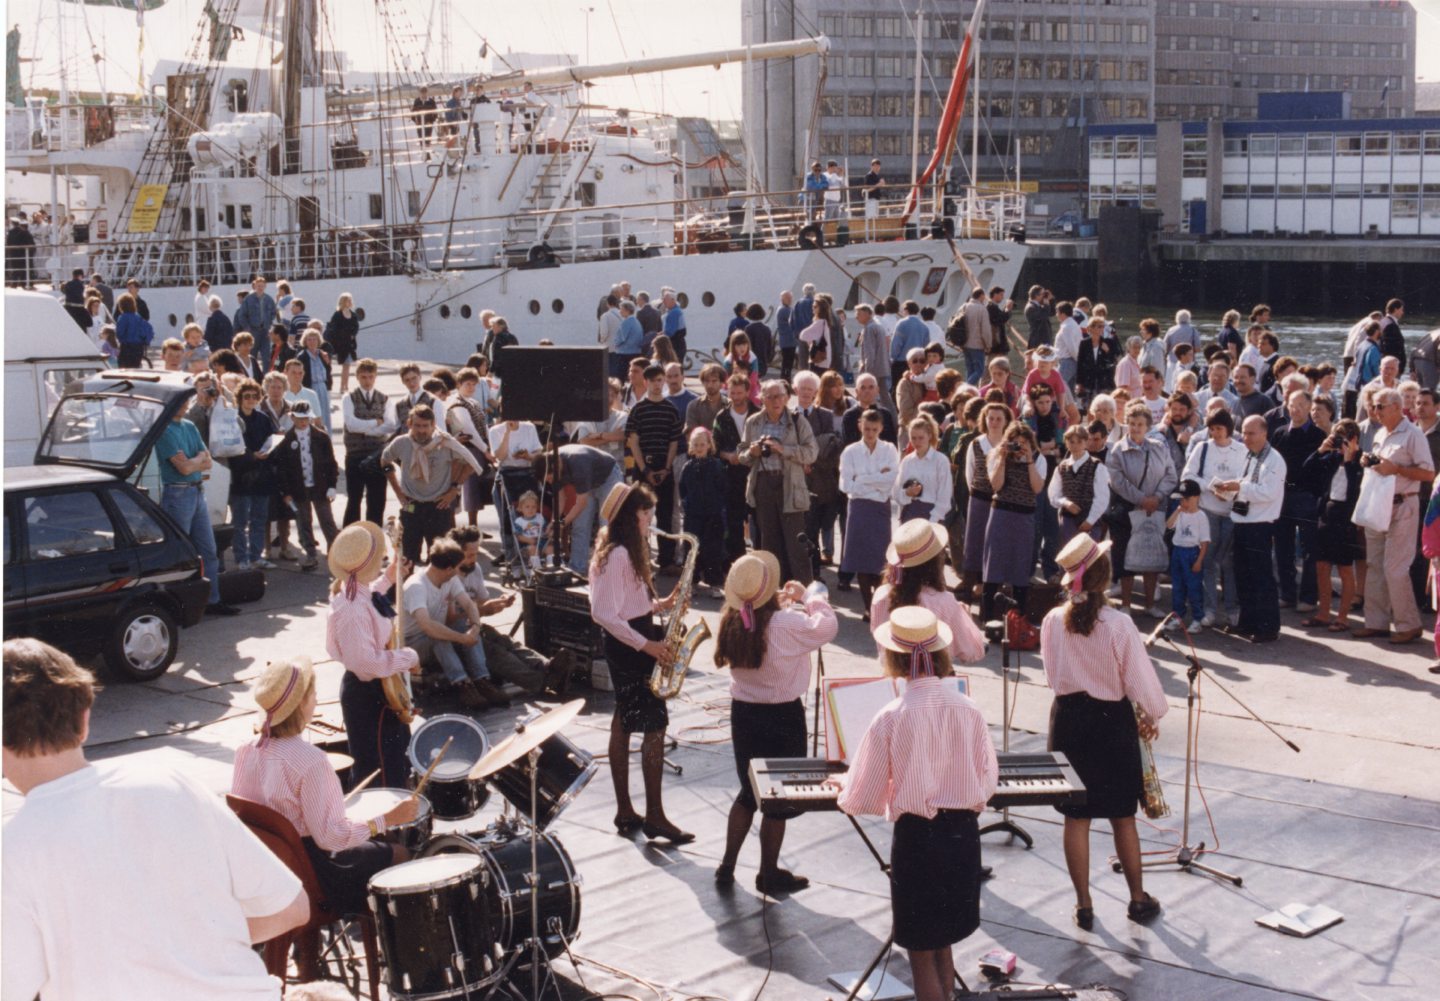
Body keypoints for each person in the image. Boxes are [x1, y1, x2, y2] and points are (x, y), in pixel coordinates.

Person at [3, 639, 308, 1000]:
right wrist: (185, 948)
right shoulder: (170, 782)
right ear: (84, 718)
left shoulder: (13, 848)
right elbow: (291, 906)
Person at [835, 607, 997, 1001]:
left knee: (920, 952)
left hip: (918, 840)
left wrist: (845, 784)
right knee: (942, 942)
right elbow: (988, 779)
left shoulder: (892, 715)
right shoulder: (968, 709)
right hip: (962, 837)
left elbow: (860, 797)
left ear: (893, 658)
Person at [1040, 536, 1167, 933]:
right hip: (1110, 722)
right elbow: (1144, 686)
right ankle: (1137, 899)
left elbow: (1050, 675)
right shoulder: (1118, 624)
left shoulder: (1051, 620)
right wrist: (1152, 712)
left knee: (1076, 818)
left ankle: (1083, 905)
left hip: (1069, 721)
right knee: (1121, 816)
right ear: (1103, 574)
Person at [232, 656, 417, 914]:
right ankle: (395, 943)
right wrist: (385, 820)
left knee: (376, 841)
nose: (317, 699)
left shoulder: (246, 751)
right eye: (313, 694)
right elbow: (331, 838)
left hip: (274, 870)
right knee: (399, 853)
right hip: (316, 874)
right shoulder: (311, 761)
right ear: (300, 705)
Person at [713, 552, 837, 893]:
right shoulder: (786, 623)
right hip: (782, 715)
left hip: (745, 713)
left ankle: (727, 865)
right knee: (777, 797)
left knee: (748, 792)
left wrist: (780, 604)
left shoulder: (733, 619)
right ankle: (768, 871)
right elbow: (827, 627)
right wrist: (812, 597)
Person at [588, 482, 692, 843]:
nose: (651, 518)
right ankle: (655, 816)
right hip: (629, 643)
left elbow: (629, 602)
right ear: (629, 516)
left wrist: (664, 603)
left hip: (633, 635)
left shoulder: (623, 551)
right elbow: (604, 613)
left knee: (624, 720)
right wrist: (646, 645)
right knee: (654, 724)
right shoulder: (617, 554)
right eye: (645, 512)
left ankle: (626, 810)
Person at [327, 521, 421, 788]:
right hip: (369, 693)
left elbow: (372, 598)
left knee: (394, 762)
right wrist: (408, 657)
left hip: (377, 689)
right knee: (380, 774)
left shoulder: (354, 591)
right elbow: (365, 664)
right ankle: (383, 829)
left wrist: (389, 577)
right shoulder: (353, 609)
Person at [448, 526, 573, 697]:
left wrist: (499, 602)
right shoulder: (447, 576)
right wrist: (483, 609)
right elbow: (449, 618)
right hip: (454, 633)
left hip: (473, 625)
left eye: (476, 554)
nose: (474, 559)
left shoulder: (474, 569)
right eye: (469, 555)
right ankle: (542, 681)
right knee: (494, 652)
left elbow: (482, 602)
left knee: (505, 641)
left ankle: (545, 665)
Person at [1354, 388, 1434, 644]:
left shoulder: (1413, 434)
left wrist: (1395, 468)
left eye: (1380, 406)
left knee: (1395, 568)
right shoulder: (1380, 433)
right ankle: (1376, 622)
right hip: (1379, 504)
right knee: (1374, 565)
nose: (1375, 411)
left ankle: (1408, 623)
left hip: (1403, 506)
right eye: (1374, 406)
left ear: (1397, 408)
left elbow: (1428, 474)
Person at [402, 538, 510, 708]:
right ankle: (462, 684)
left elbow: (468, 604)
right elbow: (427, 626)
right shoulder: (417, 586)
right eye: (457, 568)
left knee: (464, 627)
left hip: (436, 632)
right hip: (413, 643)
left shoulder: (449, 578)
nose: (459, 572)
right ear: (449, 569)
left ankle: (482, 680)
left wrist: (474, 626)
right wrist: (461, 639)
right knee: (439, 637)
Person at [156, 392, 237, 616]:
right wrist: (195, 462)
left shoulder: (189, 426)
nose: (184, 404)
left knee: (208, 550)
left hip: (197, 491)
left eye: (185, 400)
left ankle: (212, 600)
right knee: (181, 553)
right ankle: (179, 605)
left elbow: (207, 460)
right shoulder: (164, 430)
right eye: (179, 399)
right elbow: (183, 469)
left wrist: (193, 462)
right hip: (177, 494)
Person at [870, 519, 986, 663]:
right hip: (934, 680)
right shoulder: (944, 601)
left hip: (891, 678)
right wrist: (964, 616)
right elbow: (973, 652)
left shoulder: (881, 595)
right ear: (935, 561)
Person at [1216, 415, 1287, 643]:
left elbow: (1268, 492)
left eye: (1251, 433)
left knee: (1261, 577)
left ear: (1264, 434)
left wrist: (1240, 487)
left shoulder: (1274, 460)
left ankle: (1268, 627)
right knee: (1243, 576)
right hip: (1242, 522)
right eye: (1244, 433)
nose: (1246, 438)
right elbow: (1244, 484)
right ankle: (1248, 623)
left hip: (1260, 525)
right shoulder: (1248, 455)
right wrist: (1228, 490)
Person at [384, 405, 484, 563]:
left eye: (425, 426)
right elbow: (384, 462)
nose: (421, 430)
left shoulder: (445, 442)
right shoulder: (401, 442)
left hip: (438, 508)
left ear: (433, 425)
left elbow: (471, 463)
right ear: (409, 423)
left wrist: (454, 489)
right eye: (417, 425)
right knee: (406, 561)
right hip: (411, 507)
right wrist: (398, 492)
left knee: (439, 562)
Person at [741, 379, 818, 585]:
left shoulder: (797, 421)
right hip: (764, 483)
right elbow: (742, 454)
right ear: (762, 399)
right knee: (769, 542)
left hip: (790, 484)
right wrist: (753, 452)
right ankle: (774, 592)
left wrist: (784, 450)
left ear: (786, 398)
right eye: (770, 396)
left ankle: (803, 592)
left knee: (796, 543)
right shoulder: (753, 422)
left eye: (780, 396)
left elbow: (812, 453)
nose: (776, 401)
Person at [1105, 401, 1178, 617]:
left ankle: (1150, 605)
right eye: (1132, 423)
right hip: (1126, 510)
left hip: (1154, 509)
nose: (1136, 428)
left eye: (1140, 424)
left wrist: (1156, 497)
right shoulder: (1117, 450)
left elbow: (1171, 475)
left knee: (1151, 557)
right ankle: (1126, 605)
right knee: (1124, 558)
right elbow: (1117, 481)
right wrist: (1140, 499)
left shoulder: (1159, 448)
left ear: (1148, 426)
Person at [1181, 409, 1247, 628]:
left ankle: (1232, 610)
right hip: (1209, 511)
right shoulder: (1203, 447)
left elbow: (1246, 479)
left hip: (1232, 513)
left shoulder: (1241, 449)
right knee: (1207, 561)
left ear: (1228, 428)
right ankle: (1209, 610)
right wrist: (1210, 486)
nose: (1216, 433)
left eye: (1219, 428)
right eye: (1212, 429)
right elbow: (1188, 475)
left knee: (1228, 562)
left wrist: (1231, 489)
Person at [980, 418, 1044, 621]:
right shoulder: (997, 455)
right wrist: (1002, 457)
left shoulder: (1038, 458)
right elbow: (996, 485)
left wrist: (1029, 461)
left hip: (1024, 516)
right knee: (993, 565)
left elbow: (1037, 488)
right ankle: (987, 615)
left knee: (1021, 566)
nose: (1019, 447)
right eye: (1015, 442)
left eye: (1023, 443)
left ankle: (1020, 618)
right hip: (1001, 513)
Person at [1302, 419, 1363, 632]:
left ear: (1354, 439)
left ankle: (1343, 617)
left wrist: (1348, 461)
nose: (1340, 443)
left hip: (1345, 521)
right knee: (1322, 566)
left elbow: (1354, 490)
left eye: (1344, 438)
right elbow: (1306, 471)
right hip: (1325, 517)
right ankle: (1324, 613)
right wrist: (1321, 450)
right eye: (1337, 436)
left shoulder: (1360, 461)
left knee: (1345, 569)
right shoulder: (1330, 457)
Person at [840, 408, 900, 614]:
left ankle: (879, 606)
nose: (870, 433)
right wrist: (877, 478)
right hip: (859, 509)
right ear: (860, 426)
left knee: (880, 560)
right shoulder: (850, 452)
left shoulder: (890, 449)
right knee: (861, 561)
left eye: (874, 429)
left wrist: (863, 479)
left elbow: (892, 480)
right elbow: (846, 485)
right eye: (866, 429)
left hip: (880, 509)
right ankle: (868, 608)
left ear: (881, 428)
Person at [627, 363, 685, 568]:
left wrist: (666, 468)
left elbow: (674, 442)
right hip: (643, 469)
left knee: (665, 515)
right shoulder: (638, 409)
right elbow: (633, 441)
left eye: (660, 380)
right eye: (652, 380)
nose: (657, 384)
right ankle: (642, 560)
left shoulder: (671, 409)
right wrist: (645, 470)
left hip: (664, 468)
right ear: (646, 382)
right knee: (640, 515)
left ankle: (666, 560)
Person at [272, 401, 339, 571]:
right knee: (304, 522)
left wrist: (332, 485)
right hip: (298, 488)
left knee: (327, 520)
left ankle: (335, 552)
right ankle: (310, 554)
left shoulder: (321, 437)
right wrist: (285, 491)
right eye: (299, 418)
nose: (303, 422)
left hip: (320, 486)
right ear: (292, 417)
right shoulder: (287, 440)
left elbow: (331, 463)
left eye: (306, 418)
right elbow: (282, 469)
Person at [960, 402, 1010, 602]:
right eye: (991, 418)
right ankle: (968, 592)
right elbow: (969, 474)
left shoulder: (1009, 445)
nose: (995, 422)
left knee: (996, 546)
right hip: (979, 500)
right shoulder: (976, 444)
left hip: (1001, 503)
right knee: (975, 544)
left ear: (1006, 422)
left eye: (999, 419)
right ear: (985, 420)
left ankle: (992, 595)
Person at [230, 379, 278, 570]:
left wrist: (268, 452)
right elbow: (231, 447)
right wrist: (252, 455)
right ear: (239, 398)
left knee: (259, 518)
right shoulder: (233, 418)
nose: (250, 400)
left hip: (261, 475)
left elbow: (272, 439)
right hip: (241, 475)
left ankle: (256, 556)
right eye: (246, 396)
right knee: (240, 521)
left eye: (254, 396)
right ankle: (241, 558)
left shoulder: (263, 418)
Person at [341, 358, 393, 527]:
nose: (367, 381)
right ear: (357, 377)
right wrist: (374, 423)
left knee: (377, 502)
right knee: (354, 500)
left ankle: (375, 542)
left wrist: (365, 428)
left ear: (375, 376)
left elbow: (390, 425)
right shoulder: (348, 397)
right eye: (363, 377)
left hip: (378, 456)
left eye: (370, 376)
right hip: (355, 455)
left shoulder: (384, 398)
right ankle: (350, 543)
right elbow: (351, 424)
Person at [713, 371, 756, 568]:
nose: (736, 397)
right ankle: (737, 565)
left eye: (739, 393)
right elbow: (715, 448)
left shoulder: (758, 414)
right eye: (732, 393)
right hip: (731, 476)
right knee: (733, 522)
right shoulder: (721, 417)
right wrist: (728, 456)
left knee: (757, 521)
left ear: (747, 392)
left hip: (755, 475)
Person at [680, 427, 728, 591]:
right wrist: (688, 506)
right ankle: (691, 582)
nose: (699, 448)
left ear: (709, 445)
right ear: (691, 446)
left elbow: (722, 488)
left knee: (713, 549)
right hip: (693, 515)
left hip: (712, 515)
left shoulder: (716, 465)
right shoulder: (687, 467)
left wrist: (717, 508)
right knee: (692, 549)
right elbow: (683, 489)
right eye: (696, 444)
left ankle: (714, 583)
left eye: (702, 444)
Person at [1050, 424, 1111, 549]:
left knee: (1089, 562)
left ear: (1086, 442)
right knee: (1069, 560)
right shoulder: (1061, 467)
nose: (1075, 445)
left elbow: (1102, 498)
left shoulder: (1097, 466)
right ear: (1066, 443)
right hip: (1068, 521)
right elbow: (1054, 494)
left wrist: (1090, 520)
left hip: (1090, 522)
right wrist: (1065, 503)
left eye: (1079, 441)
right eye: (1071, 442)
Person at [1166, 480, 1210, 630]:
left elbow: (1204, 542)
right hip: (1178, 551)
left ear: (1196, 497)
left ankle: (1197, 618)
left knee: (1193, 587)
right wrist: (1178, 510)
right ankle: (1178, 616)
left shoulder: (1201, 516)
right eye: (1181, 499)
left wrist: (1199, 561)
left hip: (1192, 553)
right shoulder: (1180, 513)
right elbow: (1169, 525)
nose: (1183, 502)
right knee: (1177, 587)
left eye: (1186, 499)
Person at [894, 415, 951, 523]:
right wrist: (907, 493)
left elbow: (945, 495)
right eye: (913, 438)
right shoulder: (907, 461)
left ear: (929, 436)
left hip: (932, 515)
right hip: (910, 513)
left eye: (921, 438)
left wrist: (933, 520)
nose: (917, 442)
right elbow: (896, 492)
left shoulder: (940, 461)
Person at [233, 275, 278, 370]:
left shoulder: (269, 300)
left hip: (265, 331)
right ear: (255, 286)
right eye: (258, 286)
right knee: (251, 355)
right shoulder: (248, 299)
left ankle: (266, 377)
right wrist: (247, 328)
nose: (260, 288)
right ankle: (252, 375)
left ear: (265, 286)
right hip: (253, 331)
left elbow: (274, 313)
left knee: (266, 356)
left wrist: (269, 323)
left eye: (262, 286)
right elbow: (241, 315)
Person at [114, 292, 154, 368]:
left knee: (124, 369)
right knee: (135, 367)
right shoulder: (138, 317)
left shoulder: (123, 317)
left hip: (127, 347)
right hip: (139, 347)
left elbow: (119, 333)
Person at [775, 290, 798, 381]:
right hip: (788, 341)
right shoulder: (785, 310)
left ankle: (785, 379)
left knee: (787, 363)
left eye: (790, 298)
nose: (790, 300)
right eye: (787, 298)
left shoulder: (785, 309)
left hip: (787, 341)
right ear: (782, 299)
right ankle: (785, 380)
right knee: (787, 363)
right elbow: (795, 320)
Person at [861, 158, 885, 238]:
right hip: (870, 199)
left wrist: (881, 183)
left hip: (876, 199)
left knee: (875, 217)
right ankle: (870, 237)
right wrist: (879, 184)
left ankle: (874, 236)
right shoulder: (869, 176)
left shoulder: (877, 176)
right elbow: (867, 189)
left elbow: (880, 185)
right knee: (871, 218)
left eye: (878, 166)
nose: (877, 167)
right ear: (872, 166)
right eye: (875, 166)